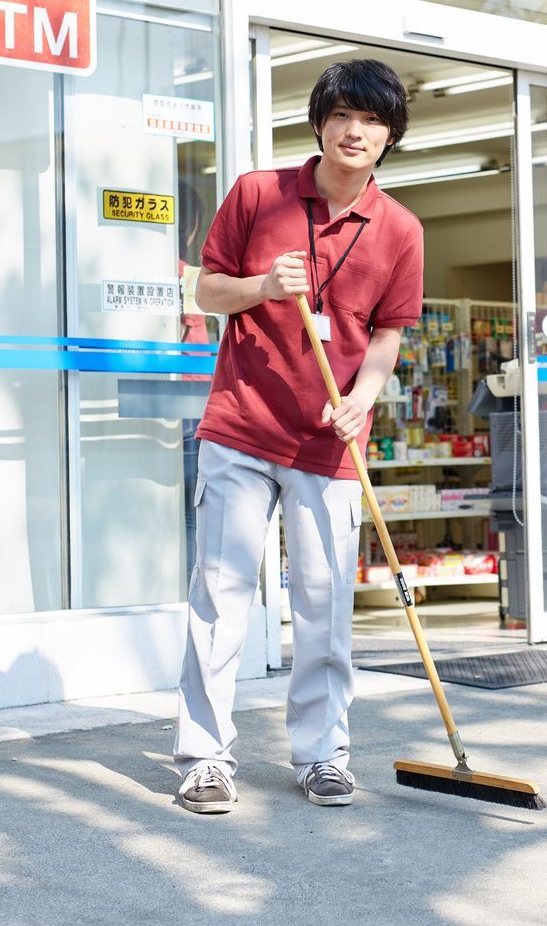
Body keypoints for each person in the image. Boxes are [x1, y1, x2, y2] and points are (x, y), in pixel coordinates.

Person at [173, 59, 424, 813]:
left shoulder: (400, 229)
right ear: (319, 121)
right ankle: (204, 757)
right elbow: (208, 288)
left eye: (373, 121)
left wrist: (362, 399)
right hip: (242, 424)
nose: (356, 131)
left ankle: (323, 753)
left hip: (328, 442)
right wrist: (261, 288)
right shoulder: (258, 192)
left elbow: (387, 335)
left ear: (389, 137)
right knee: (220, 597)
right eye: (343, 115)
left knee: (324, 605)